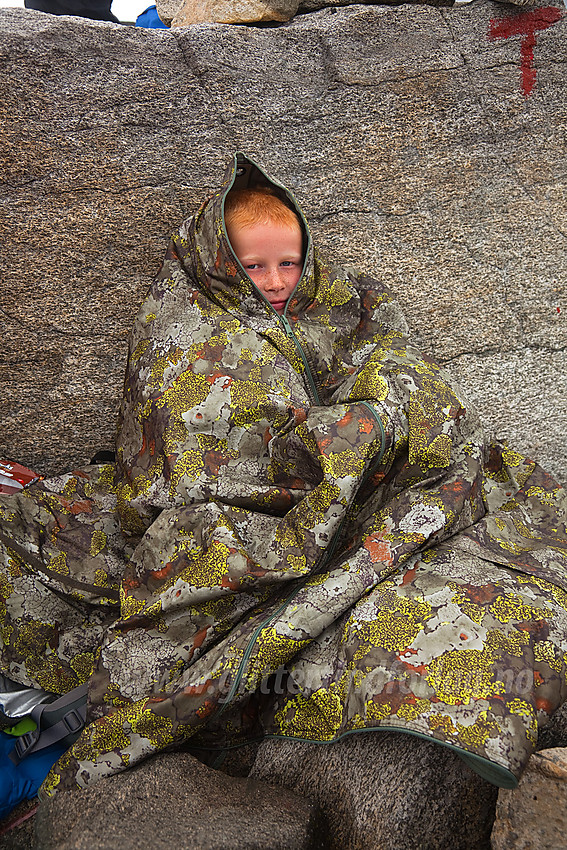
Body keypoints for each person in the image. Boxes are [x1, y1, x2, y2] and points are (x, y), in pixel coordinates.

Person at [1, 152, 567, 812]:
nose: (274, 281)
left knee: (502, 515)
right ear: (219, 260)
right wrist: (330, 444)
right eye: (254, 265)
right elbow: (192, 449)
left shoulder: (341, 300)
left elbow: (396, 366)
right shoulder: (185, 329)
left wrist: (377, 419)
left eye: (288, 262)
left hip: (356, 487)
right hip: (248, 512)